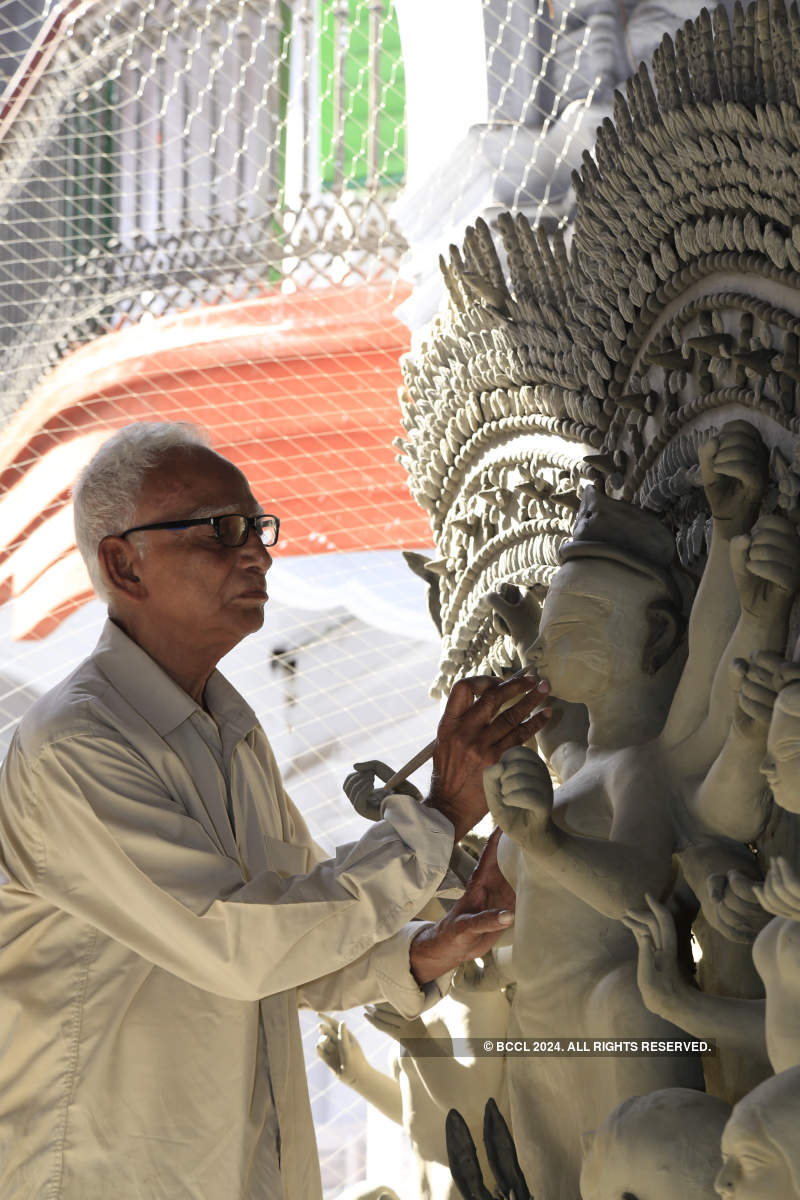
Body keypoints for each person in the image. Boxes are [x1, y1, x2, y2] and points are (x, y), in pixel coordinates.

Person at [0, 422, 549, 1200]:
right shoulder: (76, 746)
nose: (257, 552)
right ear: (124, 563)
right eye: (221, 530)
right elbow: (241, 944)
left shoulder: (230, 728)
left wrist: (426, 949)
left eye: (257, 527)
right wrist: (439, 817)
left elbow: (296, 943)